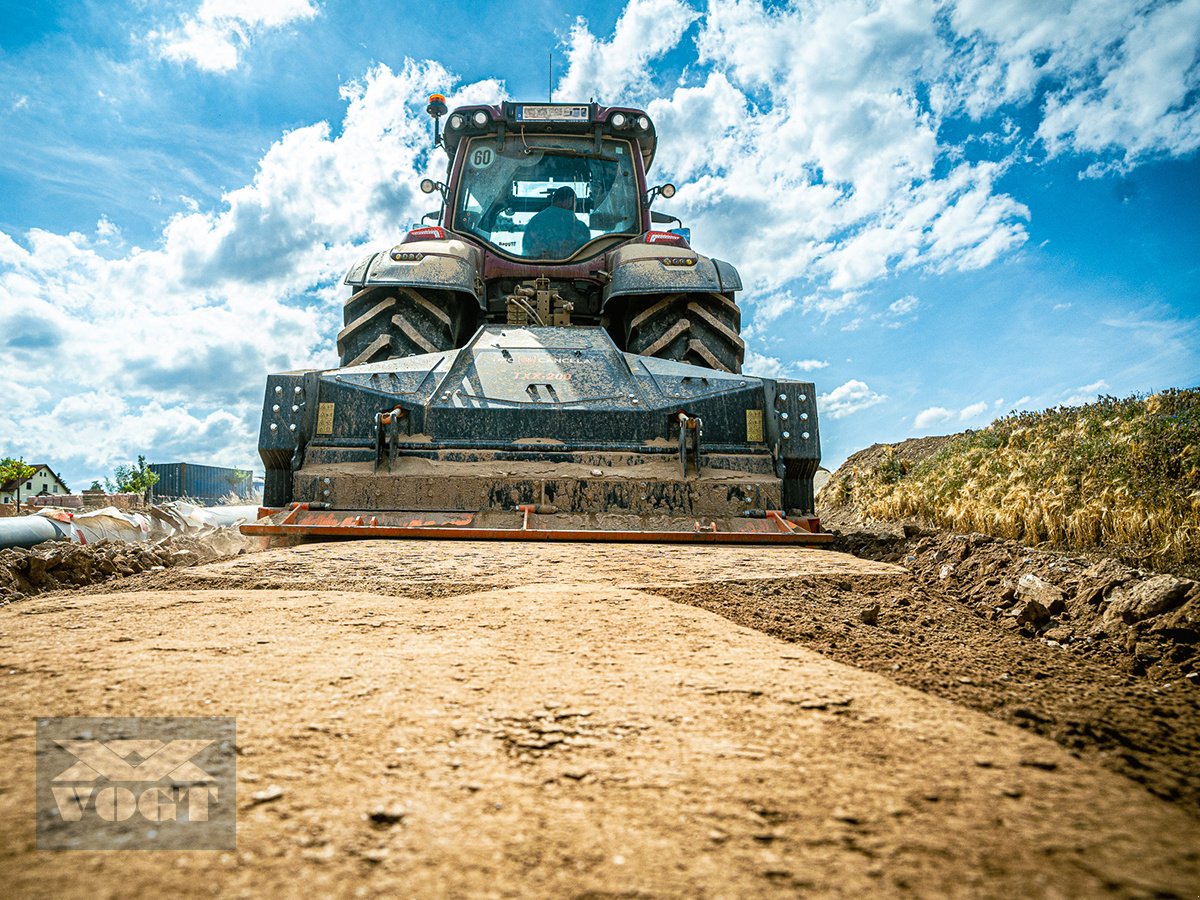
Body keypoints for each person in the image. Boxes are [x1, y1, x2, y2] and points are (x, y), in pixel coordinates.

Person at [522, 186, 591, 259]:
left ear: (553, 200)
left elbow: (526, 251)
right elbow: (587, 254)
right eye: (575, 204)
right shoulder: (578, 227)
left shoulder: (534, 222)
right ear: (570, 201)